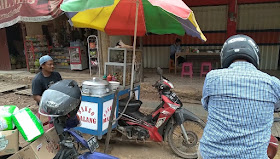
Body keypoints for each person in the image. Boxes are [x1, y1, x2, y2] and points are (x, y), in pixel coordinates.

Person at [199, 34, 280, 159]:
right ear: (255, 55)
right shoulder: (273, 83)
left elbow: (206, 106)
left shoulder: (213, 78)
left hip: (211, 154)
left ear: (224, 56)